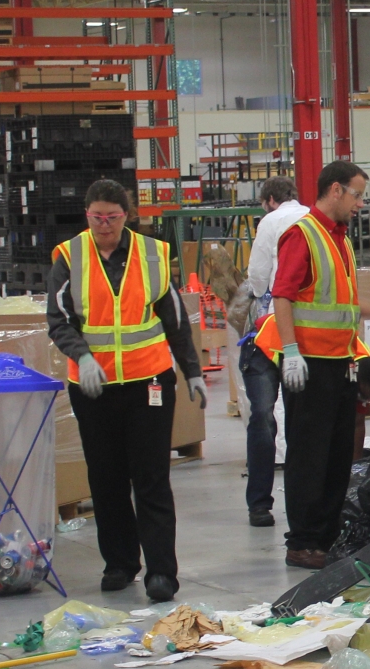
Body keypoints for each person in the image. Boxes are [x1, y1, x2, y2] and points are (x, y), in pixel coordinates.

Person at [46, 179, 204, 602]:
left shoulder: (152, 253)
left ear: (127, 216)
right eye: (97, 217)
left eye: (112, 218)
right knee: (106, 478)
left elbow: (173, 318)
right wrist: (83, 357)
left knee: (151, 478)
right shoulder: (69, 256)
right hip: (93, 388)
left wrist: (192, 371)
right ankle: (119, 563)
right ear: (87, 216)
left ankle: (161, 573)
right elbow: (59, 321)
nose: (104, 225)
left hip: (148, 383)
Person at [252, 162, 370, 569]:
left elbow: (338, 303)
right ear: (336, 190)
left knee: (338, 456)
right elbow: (283, 296)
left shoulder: (339, 239)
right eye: (357, 195)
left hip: (341, 362)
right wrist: (290, 351)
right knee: (309, 458)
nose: (361, 203)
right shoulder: (303, 235)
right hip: (309, 366)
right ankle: (302, 542)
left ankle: (324, 539)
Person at [236, 177, 309, 527]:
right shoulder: (313, 219)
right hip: (308, 337)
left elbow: (258, 277)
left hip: (269, 335)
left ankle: (259, 505)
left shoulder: (269, 222)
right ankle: (303, 504)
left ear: (268, 200)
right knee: (303, 423)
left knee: (263, 419)